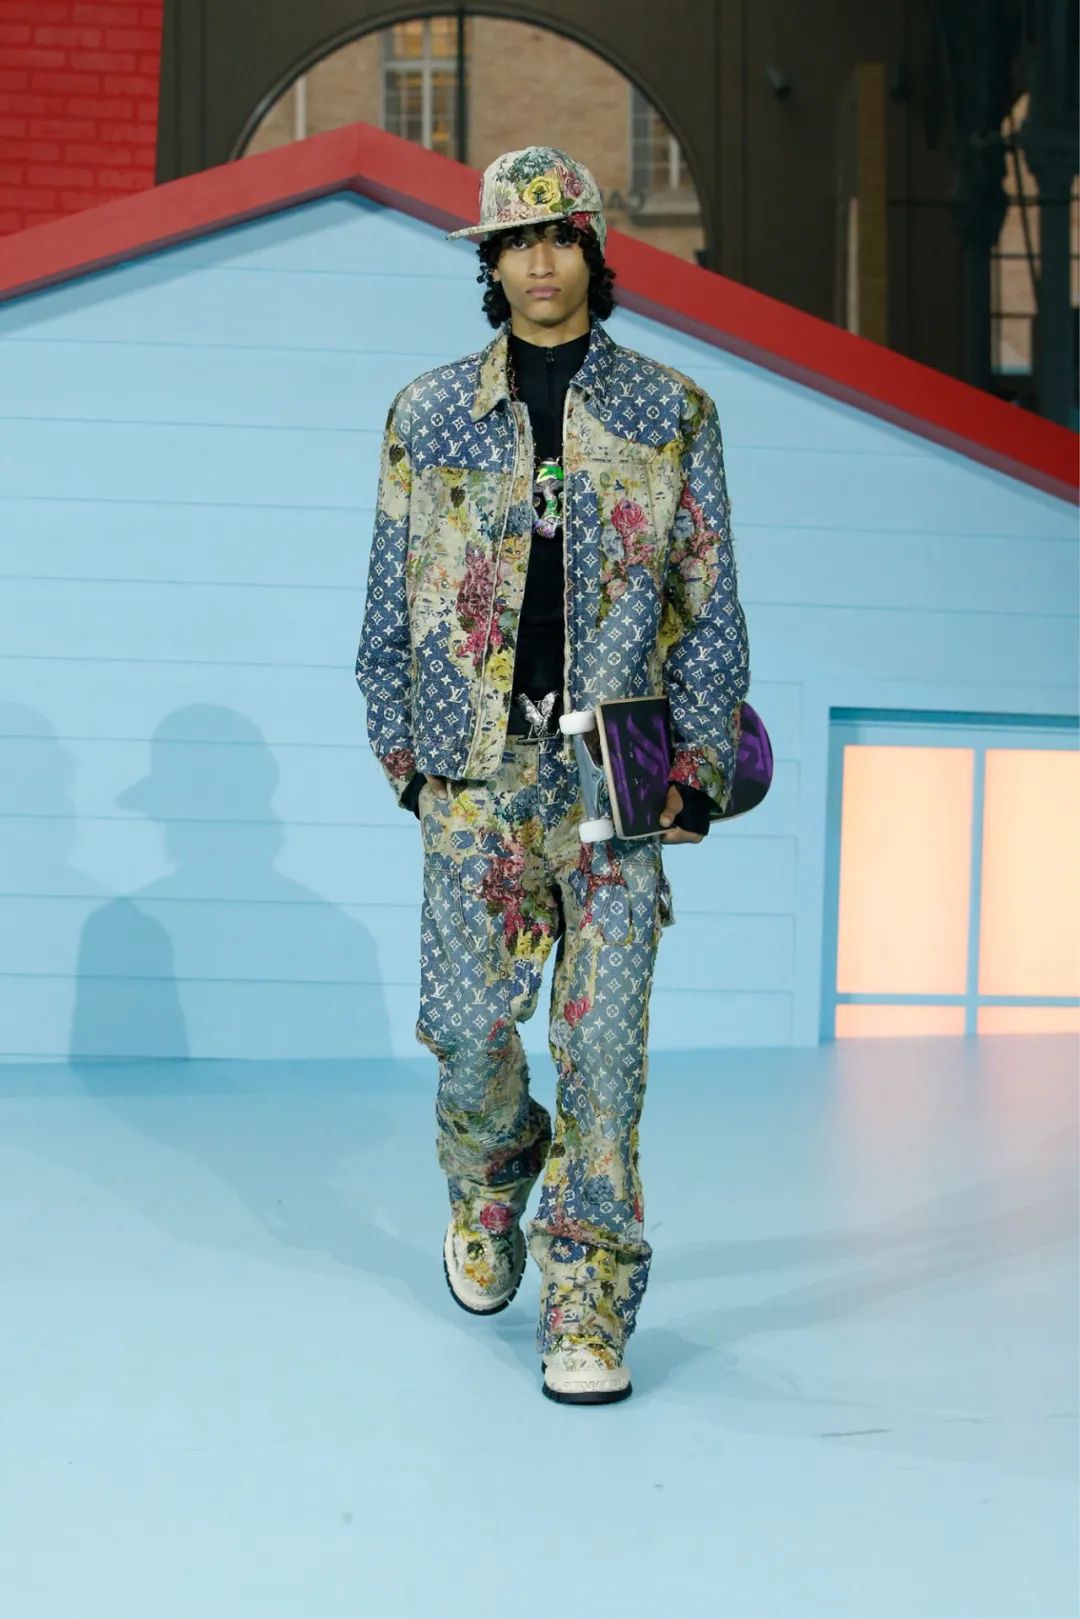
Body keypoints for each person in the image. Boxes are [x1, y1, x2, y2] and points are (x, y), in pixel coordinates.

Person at [355, 146, 750, 1405]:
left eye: (560, 236)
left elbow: (707, 605)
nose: (539, 260)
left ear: (592, 250)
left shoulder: (673, 412)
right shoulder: (427, 414)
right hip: (473, 771)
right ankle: (491, 1178)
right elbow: (386, 604)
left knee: (605, 1049)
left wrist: (695, 768)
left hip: (613, 773)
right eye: (515, 241)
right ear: (491, 261)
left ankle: (587, 1299)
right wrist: (408, 760)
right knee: (471, 1032)